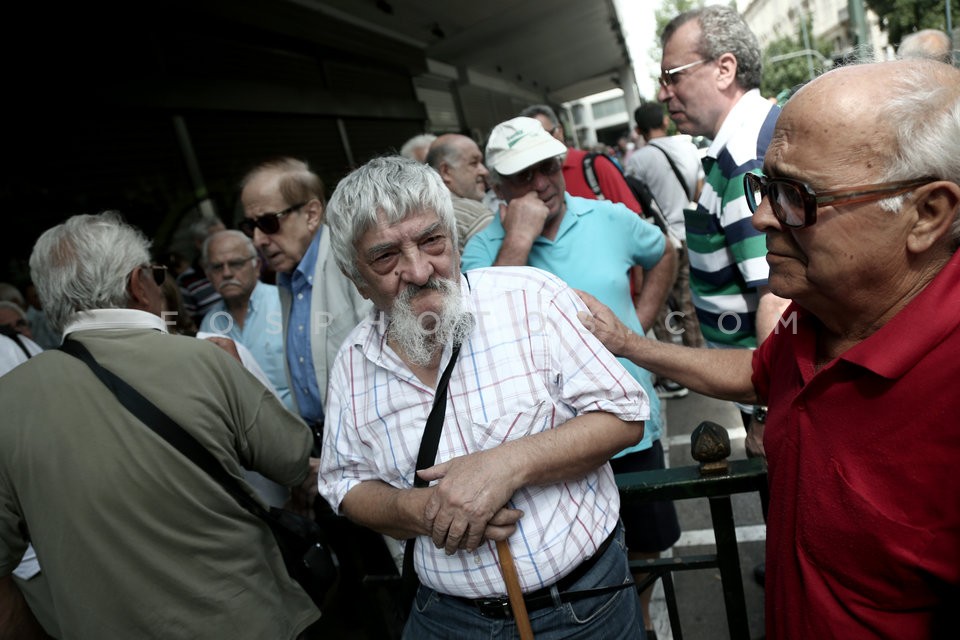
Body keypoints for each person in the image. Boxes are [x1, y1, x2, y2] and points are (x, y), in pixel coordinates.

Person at [577, 58, 960, 639]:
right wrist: (628, 344)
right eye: (765, 187)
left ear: (927, 214)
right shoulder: (823, 313)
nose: (760, 218)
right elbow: (758, 372)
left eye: (795, 196)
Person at [318, 155, 649, 639]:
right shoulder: (352, 362)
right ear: (357, 279)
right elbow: (344, 484)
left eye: (432, 241)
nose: (417, 269)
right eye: (386, 256)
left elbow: (625, 414)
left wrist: (507, 465)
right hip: (448, 620)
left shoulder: (530, 297)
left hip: (583, 608)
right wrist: (421, 512)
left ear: (453, 241)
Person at [0, 212, 320, 638]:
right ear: (138, 283)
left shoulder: (9, 399)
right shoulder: (204, 359)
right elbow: (292, 457)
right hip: (244, 620)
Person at [460, 115, 680, 637]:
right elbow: (476, 337)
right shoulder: (481, 252)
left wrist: (639, 322)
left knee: (648, 540)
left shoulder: (607, 218)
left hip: (627, 424)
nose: (541, 184)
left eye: (547, 168)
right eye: (522, 176)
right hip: (549, 446)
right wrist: (519, 240)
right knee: (578, 554)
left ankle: (639, 617)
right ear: (495, 186)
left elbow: (664, 252)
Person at [657, 4, 790, 444]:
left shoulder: (746, 158)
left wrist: (766, 413)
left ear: (724, 69)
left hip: (769, 396)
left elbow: (778, 298)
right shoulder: (740, 146)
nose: (663, 93)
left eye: (673, 75)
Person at [239, 157, 371, 440]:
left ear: (312, 214)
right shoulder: (287, 276)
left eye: (268, 222)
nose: (258, 239)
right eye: (251, 227)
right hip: (323, 442)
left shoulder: (349, 262)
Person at [626, 102, 705, 356]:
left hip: (658, 242)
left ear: (638, 130)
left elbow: (636, 205)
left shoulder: (636, 161)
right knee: (688, 301)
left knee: (658, 305)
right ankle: (698, 361)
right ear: (664, 122)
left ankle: (670, 366)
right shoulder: (688, 147)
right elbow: (698, 192)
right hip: (690, 236)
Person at [198, 229, 293, 410]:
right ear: (208, 274)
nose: (227, 273)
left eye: (236, 264)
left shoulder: (285, 304)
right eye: (217, 267)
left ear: (256, 266)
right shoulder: (210, 324)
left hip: (298, 428)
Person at [520, 104, 642, 214]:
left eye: (545, 136)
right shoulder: (530, 184)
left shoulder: (596, 165)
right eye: (532, 142)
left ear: (559, 131)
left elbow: (634, 217)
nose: (540, 146)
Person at [426, 133, 494, 252]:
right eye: (474, 163)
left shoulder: (420, 211)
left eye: (481, 162)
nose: (484, 171)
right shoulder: (474, 215)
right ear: (446, 171)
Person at [176, 215, 225, 325]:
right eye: (217, 239)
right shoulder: (186, 282)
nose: (225, 243)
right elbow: (188, 323)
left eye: (226, 236)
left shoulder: (241, 266)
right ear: (199, 243)